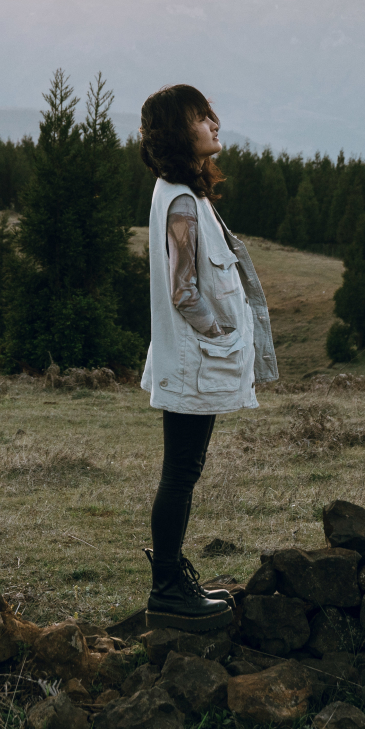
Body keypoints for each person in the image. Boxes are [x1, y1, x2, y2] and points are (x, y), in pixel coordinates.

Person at [137, 84, 277, 631]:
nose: (214, 124)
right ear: (179, 130)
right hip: (197, 362)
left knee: (183, 470)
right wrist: (220, 333)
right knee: (181, 472)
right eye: (201, 117)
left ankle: (172, 582)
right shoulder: (180, 201)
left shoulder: (181, 193)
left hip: (194, 361)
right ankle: (168, 589)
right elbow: (184, 290)